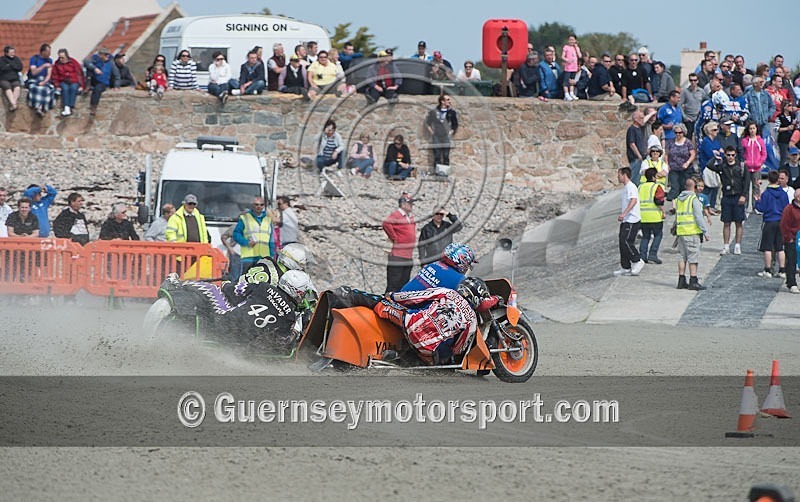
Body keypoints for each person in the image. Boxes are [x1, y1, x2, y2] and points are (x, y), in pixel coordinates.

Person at [374, 277, 497, 365]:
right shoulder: (472, 320)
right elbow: (458, 348)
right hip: (426, 348)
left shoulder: (447, 292)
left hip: (408, 323)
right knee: (437, 362)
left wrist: (392, 296)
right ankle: (398, 359)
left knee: (376, 301)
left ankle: (355, 298)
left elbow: (415, 297)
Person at [706, 145, 750, 256]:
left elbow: (747, 182)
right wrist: (716, 157)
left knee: (739, 223)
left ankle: (737, 246)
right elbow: (709, 165)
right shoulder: (722, 166)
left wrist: (744, 195)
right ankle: (726, 246)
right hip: (726, 196)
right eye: (728, 155)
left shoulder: (741, 166)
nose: (730, 157)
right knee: (726, 223)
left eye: (732, 155)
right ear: (725, 155)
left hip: (738, 196)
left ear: (735, 155)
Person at [674, 177, 710, 290]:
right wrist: (705, 231)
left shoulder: (679, 199)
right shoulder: (694, 199)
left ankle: (681, 280)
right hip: (692, 232)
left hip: (681, 232)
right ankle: (693, 280)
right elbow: (699, 217)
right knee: (693, 257)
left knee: (682, 257)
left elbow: (677, 215)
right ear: (694, 187)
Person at [403, 241, 476, 292]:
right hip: (414, 310)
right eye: (468, 264)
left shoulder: (434, 264)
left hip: (400, 300)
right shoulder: (458, 279)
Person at [754, 170, 789, 278]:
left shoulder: (767, 193)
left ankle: (768, 270)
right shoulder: (783, 193)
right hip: (781, 221)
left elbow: (761, 208)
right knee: (780, 247)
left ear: (769, 179)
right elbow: (786, 208)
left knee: (768, 247)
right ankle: (782, 270)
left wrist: (757, 201)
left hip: (769, 221)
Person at [232, 196, 278, 271]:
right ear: (252, 205)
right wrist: (246, 242)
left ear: (264, 206)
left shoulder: (268, 220)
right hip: (249, 257)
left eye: (261, 205)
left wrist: (272, 256)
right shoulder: (245, 218)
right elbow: (236, 234)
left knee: (263, 281)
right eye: (256, 204)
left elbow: (271, 240)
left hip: (264, 258)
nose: (259, 207)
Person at [383, 192, 416, 292]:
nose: (412, 205)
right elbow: (386, 223)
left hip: (408, 255)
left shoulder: (408, 217)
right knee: (394, 283)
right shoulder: (397, 214)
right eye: (410, 203)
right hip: (398, 255)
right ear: (403, 204)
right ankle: (386, 304)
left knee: (404, 283)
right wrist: (394, 238)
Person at [614, 167, 645, 277]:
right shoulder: (626, 188)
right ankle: (625, 267)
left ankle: (637, 260)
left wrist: (624, 213)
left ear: (624, 175)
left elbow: (633, 200)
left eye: (619, 175)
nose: (618, 177)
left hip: (632, 219)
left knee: (626, 241)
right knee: (622, 243)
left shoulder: (631, 187)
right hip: (626, 220)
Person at [638, 167, 666, 264]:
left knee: (645, 236)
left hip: (643, 217)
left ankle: (642, 255)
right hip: (654, 216)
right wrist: (663, 212)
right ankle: (652, 254)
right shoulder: (657, 187)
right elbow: (659, 201)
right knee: (658, 235)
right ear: (654, 177)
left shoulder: (640, 187)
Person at [665, 123, 695, 213]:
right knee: (674, 186)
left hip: (685, 169)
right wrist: (667, 164)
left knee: (683, 186)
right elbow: (666, 154)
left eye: (680, 132)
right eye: (676, 132)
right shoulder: (670, 142)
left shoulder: (688, 142)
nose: (678, 134)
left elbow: (693, 154)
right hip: (674, 168)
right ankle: (674, 206)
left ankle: (683, 205)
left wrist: (688, 162)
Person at [425, 95, 459, 173]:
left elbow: (455, 124)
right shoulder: (434, 112)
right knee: (437, 155)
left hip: (446, 136)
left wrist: (451, 132)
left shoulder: (451, 112)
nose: (449, 101)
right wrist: (432, 132)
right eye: (447, 100)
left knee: (446, 155)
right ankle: (437, 173)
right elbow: (427, 123)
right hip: (436, 135)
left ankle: (445, 173)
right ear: (442, 101)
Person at [51, 48, 84, 117]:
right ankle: (66, 107)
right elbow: (55, 76)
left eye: (62, 57)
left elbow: (79, 74)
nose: (61, 59)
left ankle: (70, 106)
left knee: (73, 88)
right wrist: (57, 86)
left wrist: (82, 86)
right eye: (60, 57)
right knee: (65, 89)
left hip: (73, 80)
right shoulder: (57, 64)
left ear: (66, 56)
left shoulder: (73, 62)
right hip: (63, 81)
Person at [742, 121, 767, 211]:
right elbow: (742, 152)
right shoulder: (744, 141)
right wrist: (745, 161)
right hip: (747, 167)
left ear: (756, 129)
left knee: (756, 187)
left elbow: (764, 153)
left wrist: (760, 162)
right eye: (750, 128)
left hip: (757, 168)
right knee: (745, 187)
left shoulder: (760, 141)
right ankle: (744, 206)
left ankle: (755, 206)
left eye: (754, 128)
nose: (752, 130)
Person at [84, 47, 115, 116]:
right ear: (100, 55)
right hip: (94, 79)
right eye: (105, 55)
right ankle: (88, 85)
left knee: (97, 90)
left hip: (103, 81)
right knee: (89, 69)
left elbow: (116, 74)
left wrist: (116, 85)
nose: (107, 56)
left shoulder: (110, 63)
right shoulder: (95, 59)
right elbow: (86, 62)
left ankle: (93, 106)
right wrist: (95, 69)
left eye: (108, 55)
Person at [26, 43, 55, 118]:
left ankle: (42, 107)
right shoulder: (34, 59)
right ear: (43, 52)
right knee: (34, 88)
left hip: (44, 80)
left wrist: (44, 82)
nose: (49, 54)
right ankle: (37, 106)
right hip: (34, 79)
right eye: (48, 52)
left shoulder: (50, 60)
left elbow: (49, 74)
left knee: (47, 89)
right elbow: (34, 72)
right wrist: (43, 66)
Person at [780, 189, 800, 293]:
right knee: (791, 261)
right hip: (792, 239)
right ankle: (791, 283)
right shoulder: (789, 209)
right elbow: (784, 225)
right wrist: (788, 238)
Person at [679, 73, 706, 141]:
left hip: (699, 118)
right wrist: (685, 117)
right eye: (691, 80)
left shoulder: (701, 91)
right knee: (688, 138)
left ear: (697, 81)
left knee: (699, 137)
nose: (693, 82)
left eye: (695, 80)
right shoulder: (685, 91)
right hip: (689, 119)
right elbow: (679, 105)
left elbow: (705, 103)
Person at [625, 110, 646, 186]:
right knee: (634, 178)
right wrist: (638, 155)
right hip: (635, 158)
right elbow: (632, 144)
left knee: (639, 177)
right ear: (636, 119)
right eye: (641, 118)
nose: (643, 120)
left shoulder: (639, 129)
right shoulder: (632, 129)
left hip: (641, 158)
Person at [0, 45, 23, 111]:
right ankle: (13, 104)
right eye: (11, 52)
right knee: (7, 87)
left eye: (14, 52)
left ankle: (13, 104)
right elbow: (2, 68)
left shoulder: (16, 59)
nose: (13, 54)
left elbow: (19, 67)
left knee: (17, 87)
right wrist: (11, 66)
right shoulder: (2, 60)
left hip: (14, 78)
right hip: (4, 79)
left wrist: (10, 65)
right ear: (6, 53)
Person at [561, 34, 582, 101]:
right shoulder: (566, 47)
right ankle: (566, 93)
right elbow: (562, 56)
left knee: (572, 80)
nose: (571, 41)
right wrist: (567, 60)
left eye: (573, 40)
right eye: (570, 40)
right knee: (566, 81)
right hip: (568, 67)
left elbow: (580, 56)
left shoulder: (575, 48)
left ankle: (571, 93)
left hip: (574, 67)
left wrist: (577, 48)